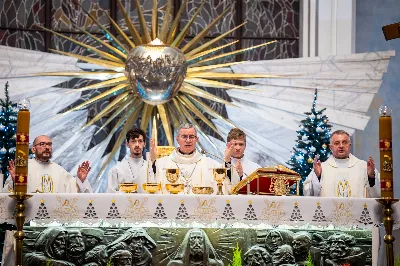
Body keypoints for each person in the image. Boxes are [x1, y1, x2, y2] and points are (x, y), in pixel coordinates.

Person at [303, 130, 380, 198]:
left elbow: (378, 195)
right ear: (330, 147)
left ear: (349, 145)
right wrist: (317, 177)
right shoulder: (322, 168)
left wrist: (371, 177)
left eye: (344, 142)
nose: (341, 146)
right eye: (337, 143)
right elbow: (308, 194)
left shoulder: (363, 166)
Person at [3, 135, 92, 193]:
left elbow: (73, 190)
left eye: (49, 144)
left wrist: (80, 180)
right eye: (42, 144)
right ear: (33, 149)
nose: (47, 147)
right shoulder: (24, 168)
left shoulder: (58, 170)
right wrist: (15, 182)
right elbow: (6, 195)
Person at [155, 123, 221, 195]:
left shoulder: (211, 165)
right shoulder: (162, 164)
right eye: (184, 137)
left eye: (192, 137)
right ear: (177, 139)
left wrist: (228, 160)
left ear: (196, 139)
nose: (188, 140)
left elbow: (226, 182)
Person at [107, 128, 157, 193]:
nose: (137, 145)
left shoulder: (151, 169)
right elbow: (110, 197)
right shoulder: (116, 170)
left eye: (140, 141)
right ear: (127, 144)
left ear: (144, 144)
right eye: (133, 141)